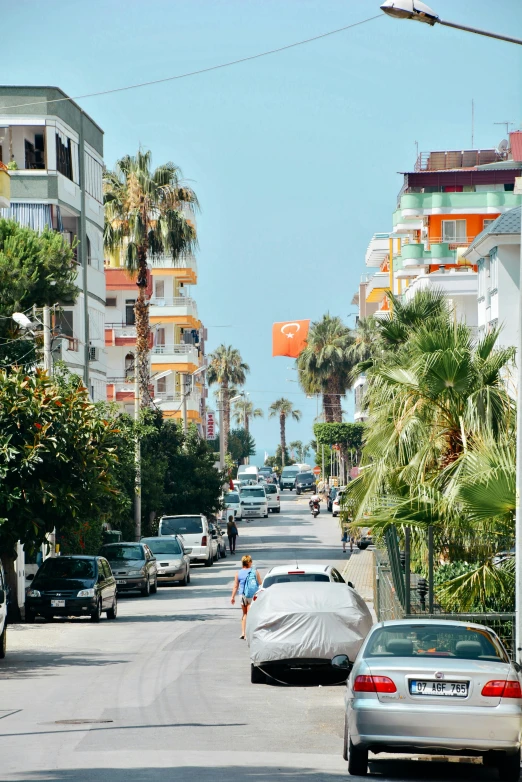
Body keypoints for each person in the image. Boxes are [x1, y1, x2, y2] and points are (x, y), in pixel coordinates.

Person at [231, 555, 262, 639]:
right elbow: (260, 583)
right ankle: (249, 633)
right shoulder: (255, 572)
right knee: (250, 614)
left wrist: (232, 597)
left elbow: (235, 586)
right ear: (249, 562)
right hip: (252, 595)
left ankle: (243, 633)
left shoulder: (238, 573)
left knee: (245, 614)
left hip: (242, 595)